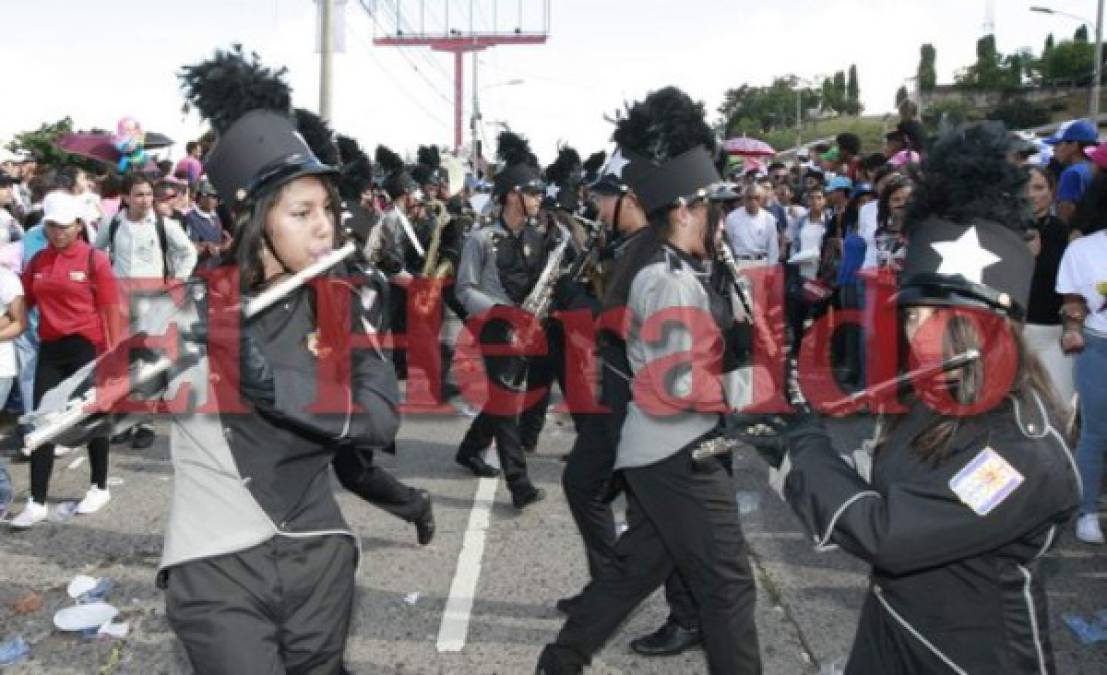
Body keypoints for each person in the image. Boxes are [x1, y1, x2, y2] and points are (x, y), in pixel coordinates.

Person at [733, 122, 1081, 674]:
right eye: (912, 315)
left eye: (935, 318)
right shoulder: (938, 396)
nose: (916, 334)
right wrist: (793, 436)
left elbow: (888, 532)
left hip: (968, 659)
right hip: (891, 628)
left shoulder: (1022, 453)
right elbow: (881, 479)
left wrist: (799, 444)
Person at [538, 86, 761, 675]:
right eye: (714, 206)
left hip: (667, 450)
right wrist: (756, 388)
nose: (723, 218)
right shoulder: (668, 280)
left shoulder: (690, 270)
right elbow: (679, 386)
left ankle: (559, 661)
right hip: (678, 452)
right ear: (685, 210)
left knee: (630, 573)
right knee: (730, 587)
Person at [557, 142, 706, 659]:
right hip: (618, 391)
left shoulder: (650, 250)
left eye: (604, 199)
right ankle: (610, 590)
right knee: (604, 494)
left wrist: (586, 307)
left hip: (639, 400)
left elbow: (631, 324)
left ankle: (683, 614)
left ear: (630, 199)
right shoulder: (628, 246)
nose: (597, 209)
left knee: (654, 517)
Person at [11, 192, 121, 529]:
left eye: (63, 226)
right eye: (50, 226)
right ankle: (36, 501)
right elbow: (23, 302)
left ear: (78, 226)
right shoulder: (39, 262)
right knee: (44, 423)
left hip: (88, 349)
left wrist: (113, 357)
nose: (57, 232)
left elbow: (110, 309)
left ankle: (99, 486)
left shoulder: (94, 260)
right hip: (51, 349)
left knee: (92, 420)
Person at [453, 130, 550, 510]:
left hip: (527, 328)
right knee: (507, 403)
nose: (540, 200)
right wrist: (499, 312)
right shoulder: (481, 239)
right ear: (513, 195)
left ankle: (469, 450)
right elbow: (464, 289)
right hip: (495, 328)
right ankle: (519, 483)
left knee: (500, 397)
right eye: (534, 193)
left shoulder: (537, 236)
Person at [95, 173, 197, 449]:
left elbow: (189, 253)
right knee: (120, 362)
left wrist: (177, 280)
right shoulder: (113, 223)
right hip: (119, 303)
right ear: (126, 197)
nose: (145, 200)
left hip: (153, 304)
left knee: (148, 362)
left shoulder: (164, 225)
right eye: (139, 195)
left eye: (148, 194)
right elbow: (96, 253)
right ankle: (120, 420)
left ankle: (144, 422)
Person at [1056, 208, 1107, 544]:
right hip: (1097, 347)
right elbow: (1072, 301)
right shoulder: (1083, 249)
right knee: (1095, 432)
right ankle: (1087, 511)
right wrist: (1072, 326)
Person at [1024, 166, 1074, 414]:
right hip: (1014, 332)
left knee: (1059, 408)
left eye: (1039, 188)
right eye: (1026, 188)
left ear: (1052, 192)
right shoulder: (1002, 233)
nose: (1032, 195)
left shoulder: (1062, 232)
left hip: (1054, 333)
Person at [1045, 119, 1098, 228]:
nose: (1054, 149)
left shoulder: (1072, 173)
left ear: (1074, 145)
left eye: (1059, 144)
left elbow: (1065, 214)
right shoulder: (1096, 168)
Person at [724, 182, 779, 263]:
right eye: (749, 198)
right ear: (744, 199)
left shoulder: (769, 219)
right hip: (741, 262)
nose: (753, 201)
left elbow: (773, 247)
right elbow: (728, 244)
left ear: (762, 199)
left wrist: (771, 270)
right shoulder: (732, 218)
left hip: (762, 263)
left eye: (757, 198)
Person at [183, 179, 230, 267]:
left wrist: (226, 239)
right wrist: (220, 247)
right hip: (202, 268)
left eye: (216, 197)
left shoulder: (215, 216)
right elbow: (193, 248)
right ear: (200, 197)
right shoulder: (191, 218)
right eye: (209, 196)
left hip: (217, 265)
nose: (212, 200)